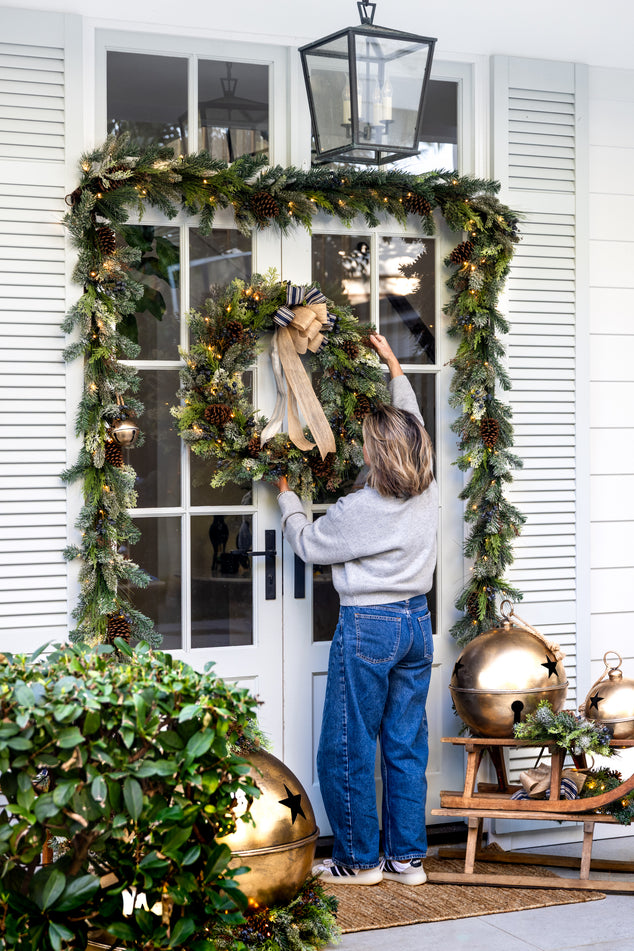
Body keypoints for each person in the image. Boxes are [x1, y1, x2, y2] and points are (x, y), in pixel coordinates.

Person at [275, 333, 438, 886]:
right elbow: (411, 420)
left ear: (376, 456)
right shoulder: (427, 486)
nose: (362, 451)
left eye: (368, 445)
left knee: (345, 745)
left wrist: (287, 498)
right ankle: (407, 859)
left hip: (371, 625)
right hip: (418, 623)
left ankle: (361, 861)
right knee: (404, 743)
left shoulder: (362, 508)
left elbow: (311, 545)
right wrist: (395, 367)